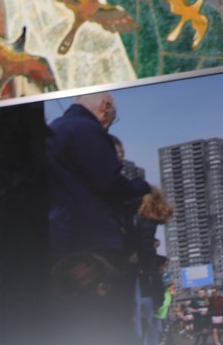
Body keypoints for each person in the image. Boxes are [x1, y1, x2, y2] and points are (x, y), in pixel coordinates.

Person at [45, 93, 150, 262]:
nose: (107, 127)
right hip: (92, 235)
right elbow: (111, 183)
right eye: (112, 119)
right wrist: (142, 186)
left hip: (58, 232)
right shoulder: (88, 128)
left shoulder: (54, 128)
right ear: (105, 106)